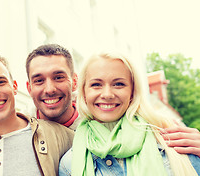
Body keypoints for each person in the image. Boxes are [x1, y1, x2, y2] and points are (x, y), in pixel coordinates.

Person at [59, 52, 200, 176]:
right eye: (96, 84)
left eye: (119, 84)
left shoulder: (171, 138)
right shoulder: (71, 165)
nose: (107, 94)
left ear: (133, 91)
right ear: (84, 91)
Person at [25, 44, 200, 156]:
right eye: (39, 80)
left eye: (58, 77)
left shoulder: (103, 117)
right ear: (29, 88)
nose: (49, 89)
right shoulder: (22, 129)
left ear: (75, 82)